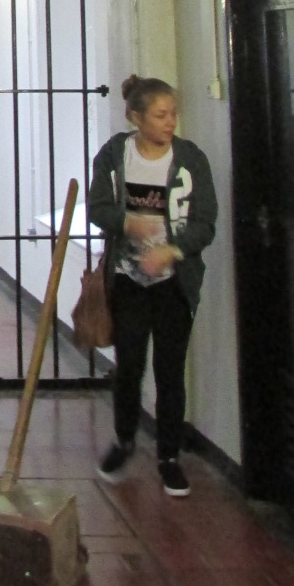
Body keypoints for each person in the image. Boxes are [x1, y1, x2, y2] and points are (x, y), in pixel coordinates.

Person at [88, 74, 217, 499]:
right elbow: (97, 207)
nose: (169, 122)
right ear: (136, 118)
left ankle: (169, 456)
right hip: (128, 279)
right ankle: (125, 439)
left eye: (172, 114)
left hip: (174, 283)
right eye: (160, 115)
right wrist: (127, 222)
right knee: (129, 364)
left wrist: (171, 250)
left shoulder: (190, 159)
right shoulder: (115, 155)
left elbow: (205, 223)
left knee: (170, 369)